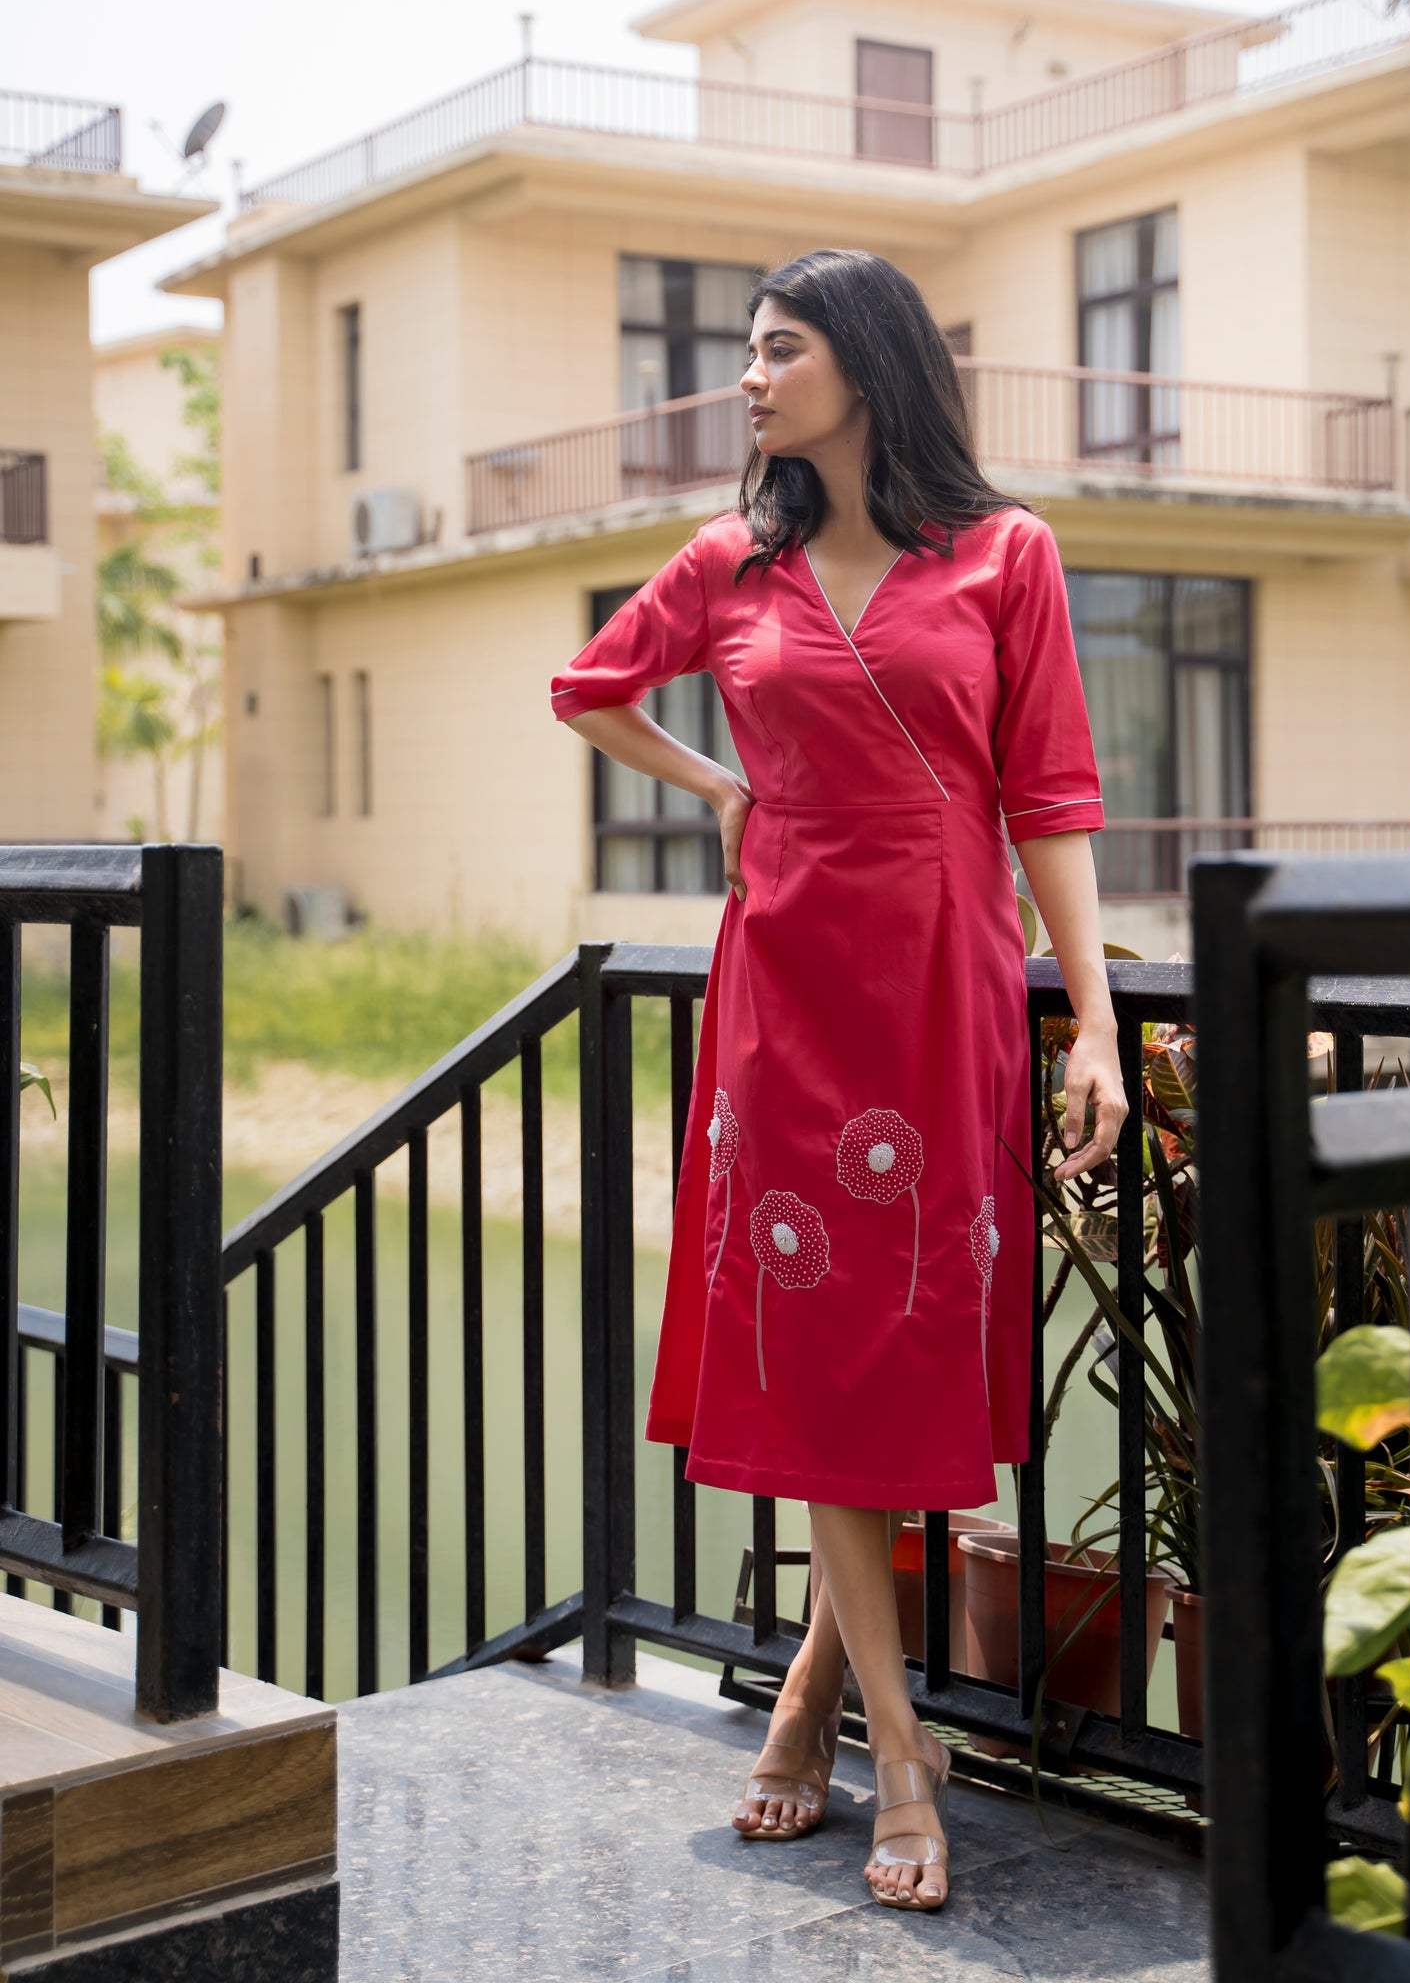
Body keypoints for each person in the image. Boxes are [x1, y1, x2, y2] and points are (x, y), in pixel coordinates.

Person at [550, 248, 1124, 1915]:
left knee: (895, 1343)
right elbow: (588, 691)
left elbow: (1054, 796)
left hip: (944, 974)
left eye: (776, 349)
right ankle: (902, 1744)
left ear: (863, 363)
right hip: (784, 986)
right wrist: (720, 784)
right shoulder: (730, 558)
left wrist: (1087, 1019)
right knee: (816, 1347)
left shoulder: (1008, 555)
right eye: (747, 353)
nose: (747, 377)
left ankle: (804, 1707)